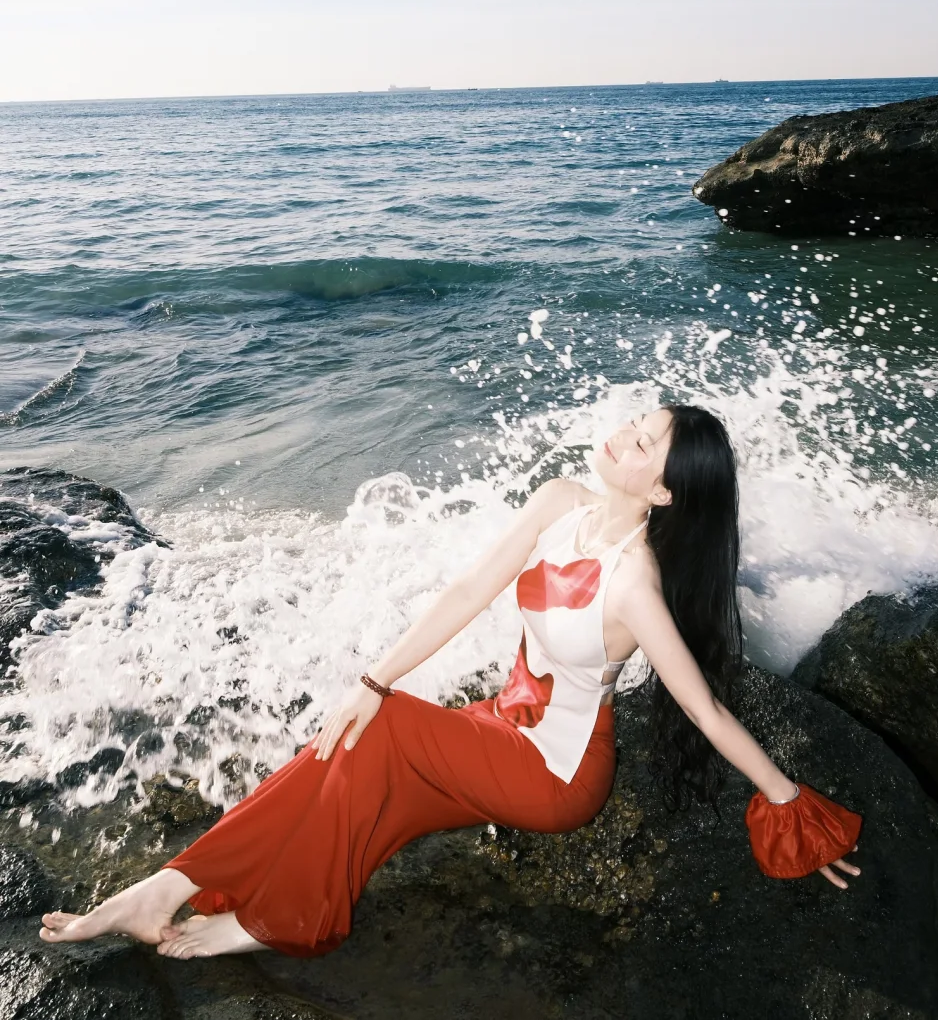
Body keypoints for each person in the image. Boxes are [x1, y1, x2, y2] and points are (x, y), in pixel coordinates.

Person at [40, 403, 862, 960]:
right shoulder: (559, 500)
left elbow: (707, 710)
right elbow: (469, 592)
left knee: (382, 726)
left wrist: (794, 806)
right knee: (353, 758)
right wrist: (374, 674)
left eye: (647, 445)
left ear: (664, 491)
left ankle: (238, 910)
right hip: (502, 725)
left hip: (556, 775)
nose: (625, 436)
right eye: (636, 424)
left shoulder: (636, 583)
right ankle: (191, 893)